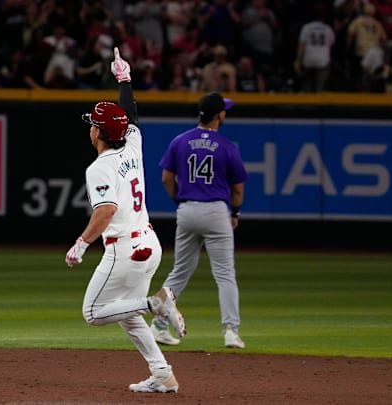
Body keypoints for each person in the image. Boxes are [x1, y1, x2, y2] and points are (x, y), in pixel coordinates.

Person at [65, 47, 186, 394]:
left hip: (126, 251)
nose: (90, 130)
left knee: (94, 312)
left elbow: (105, 212)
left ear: (99, 133)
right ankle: (162, 373)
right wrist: (125, 79)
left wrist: (81, 243)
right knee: (126, 314)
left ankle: (156, 303)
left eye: (93, 126)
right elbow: (130, 115)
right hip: (149, 242)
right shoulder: (133, 144)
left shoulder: (99, 167)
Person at [150, 92, 248, 349]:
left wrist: (180, 201)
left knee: (180, 271)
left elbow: (166, 178)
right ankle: (231, 331)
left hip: (187, 210)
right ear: (220, 115)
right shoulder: (227, 146)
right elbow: (237, 189)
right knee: (225, 274)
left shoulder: (180, 141)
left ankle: (159, 326)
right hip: (216, 211)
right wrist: (235, 213)